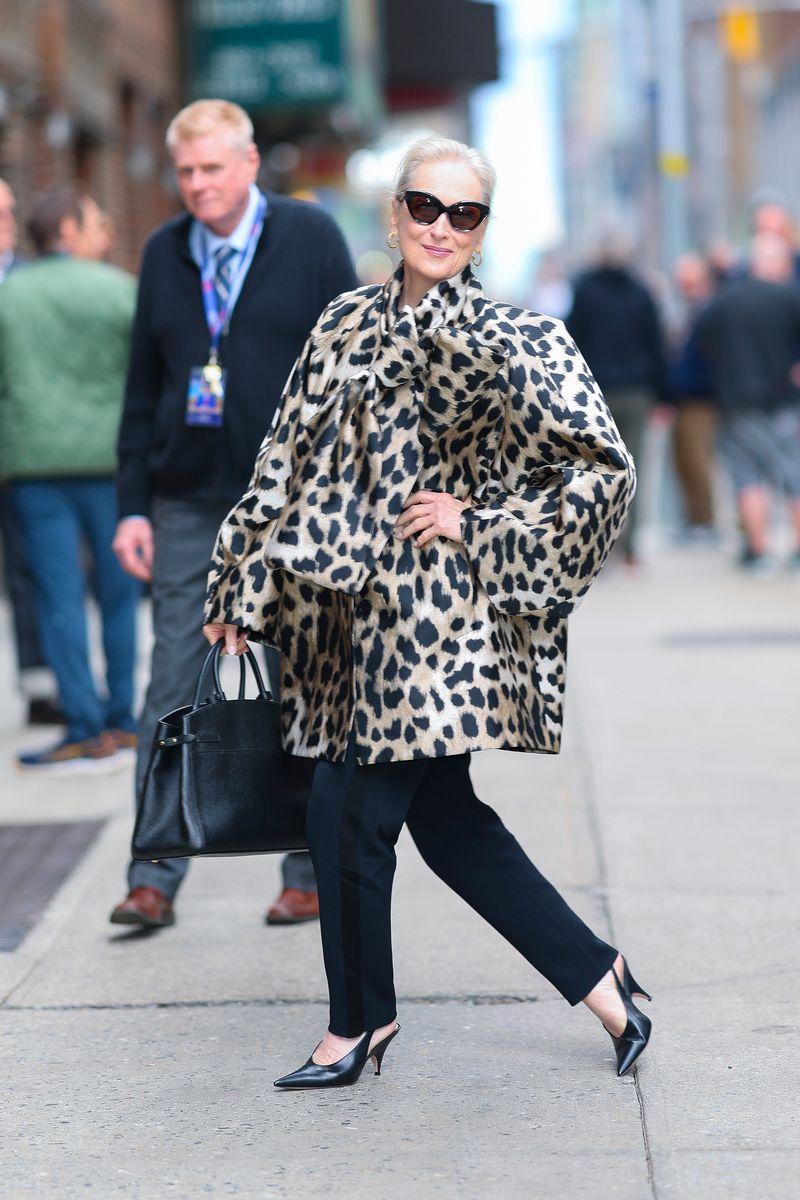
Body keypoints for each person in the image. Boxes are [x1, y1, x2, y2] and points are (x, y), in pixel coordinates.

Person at [203, 136, 650, 1090]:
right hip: (342, 618)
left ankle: (359, 1024)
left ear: (483, 231)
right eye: (425, 206)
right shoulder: (344, 322)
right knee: (448, 823)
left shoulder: (516, 336)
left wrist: (477, 521)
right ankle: (599, 976)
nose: (442, 227)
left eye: (465, 213)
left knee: (343, 813)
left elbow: (603, 474)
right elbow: (283, 457)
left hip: (434, 622)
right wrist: (237, 578)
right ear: (396, 211)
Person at [110, 99, 357, 930]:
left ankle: (307, 871)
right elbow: (142, 389)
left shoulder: (309, 237)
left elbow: (354, 370)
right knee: (171, 682)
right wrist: (132, 508)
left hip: (291, 500)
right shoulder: (165, 250)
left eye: (212, 168)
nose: (198, 185)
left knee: (301, 676)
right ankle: (153, 872)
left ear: (250, 164)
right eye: (185, 171)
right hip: (186, 500)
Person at [0, 186, 140, 771]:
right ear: (68, 230)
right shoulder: (119, 289)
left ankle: (82, 724)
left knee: (58, 596)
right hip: (112, 463)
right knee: (119, 592)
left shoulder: (9, 295)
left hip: (36, 467)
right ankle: (124, 719)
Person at [695, 233, 800, 573]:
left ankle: (759, 552)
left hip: (736, 400)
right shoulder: (791, 297)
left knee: (747, 476)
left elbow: (701, 344)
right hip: (784, 401)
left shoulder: (725, 300)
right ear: (776, 264)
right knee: (794, 474)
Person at [0, 177, 64, 728]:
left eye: (9, 211)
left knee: (29, 573)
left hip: (20, 454)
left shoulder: (30, 282)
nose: (6, 223)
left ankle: (40, 685)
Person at [566, 230, 670, 567]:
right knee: (632, 469)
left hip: (595, 394)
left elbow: (571, 342)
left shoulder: (584, 291)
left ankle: (600, 543)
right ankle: (631, 547)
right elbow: (656, 345)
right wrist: (664, 395)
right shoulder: (641, 293)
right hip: (638, 391)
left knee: (595, 469)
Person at [670, 254, 718, 541]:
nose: (683, 284)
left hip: (701, 397)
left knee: (698, 460)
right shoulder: (687, 308)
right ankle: (693, 520)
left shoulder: (708, 309)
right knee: (684, 461)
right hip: (683, 396)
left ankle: (705, 523)